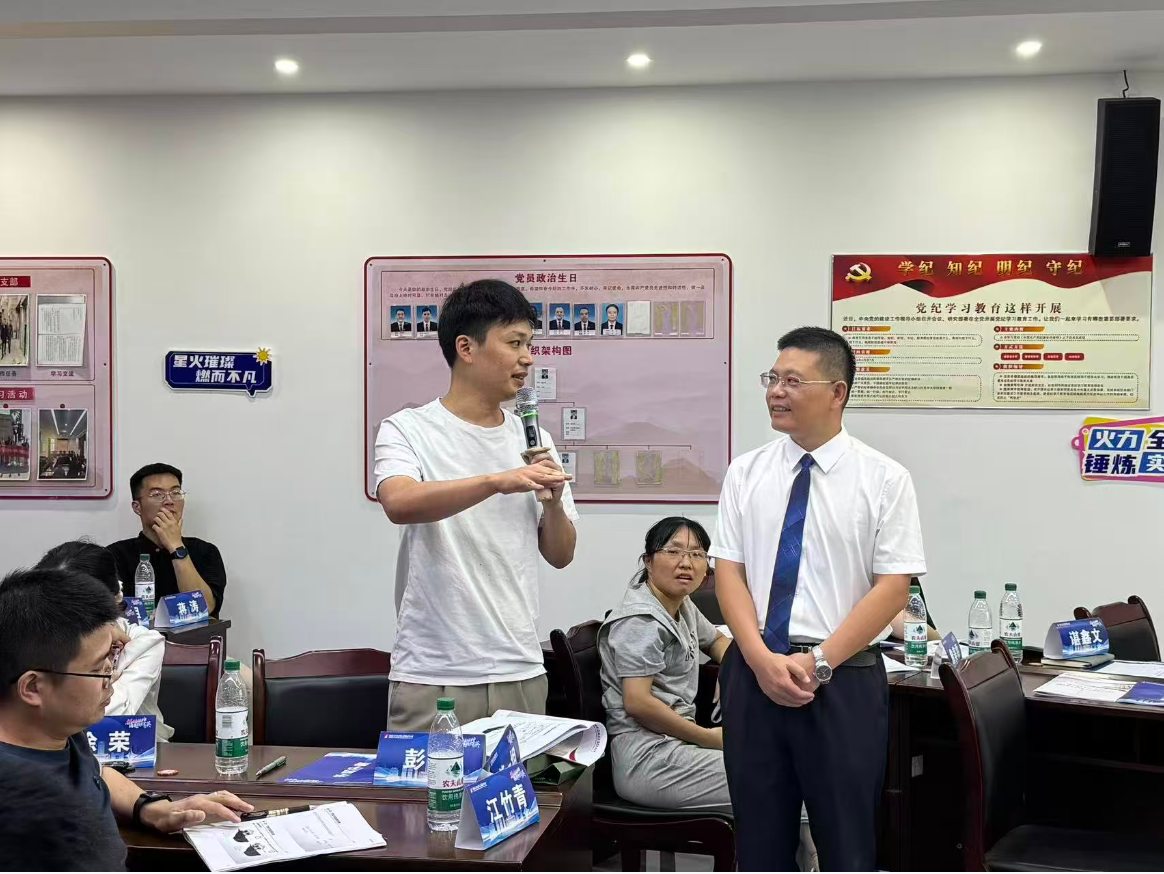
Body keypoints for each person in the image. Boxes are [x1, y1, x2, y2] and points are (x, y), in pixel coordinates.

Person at [711, 326, 926, 871]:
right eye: (772, 378)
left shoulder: (885, 479)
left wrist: (820, 661)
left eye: (792, 380)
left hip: (842, 679)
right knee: (759, 846)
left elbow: (893, 587)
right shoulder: (746, 471)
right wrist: (759, 659)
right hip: (753, 674)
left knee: (846, 847)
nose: (775, 392)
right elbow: (729, 572)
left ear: (837, 392)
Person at [374, 279, 578, 730]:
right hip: (434, 672)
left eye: (529, 344)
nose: (528, 358)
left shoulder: (534, 437)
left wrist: (553, 505)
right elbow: (399, 502)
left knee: (521, 781)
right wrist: (496, 481)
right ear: (466, 348)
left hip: (520, 666)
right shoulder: (408, 429)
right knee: (429, 781)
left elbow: (561, 554)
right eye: (515, 343)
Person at [0, 566, 252, 871]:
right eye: (98, 669)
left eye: (111, 658)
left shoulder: (53, 731)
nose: (112, 675)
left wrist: (150, 807)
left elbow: (97, 772)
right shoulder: (36, 803)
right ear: (33, 687)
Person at [598, 517, 730, 810]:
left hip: (676, 745)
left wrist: (730, 668)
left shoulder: (681, 603)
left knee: (785, 767)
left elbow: (718, 641)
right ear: (648, 561)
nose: (686, 563)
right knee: (781, 778)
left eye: (696, 554)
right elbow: (638, 703)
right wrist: (708, 738)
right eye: (673, 551)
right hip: (648, 758)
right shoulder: (641, 620)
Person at [36, 540, 172, 741]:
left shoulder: (144, 642)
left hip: (130, 747)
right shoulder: (35, 637)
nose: (63, 616)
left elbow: (114, 715)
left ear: (113, 597)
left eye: (75, 607)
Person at [107, 463, 227, 617]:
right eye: (157, 494)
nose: (169, 501)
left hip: (194, 634)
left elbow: (205, 608)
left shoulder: (205, 551)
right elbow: (108, 614)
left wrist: (176, 547)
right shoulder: (114, 555)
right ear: (137, 507)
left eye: (176, 493)